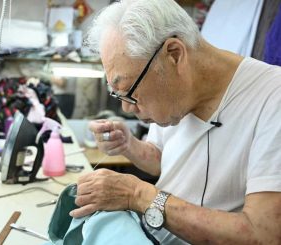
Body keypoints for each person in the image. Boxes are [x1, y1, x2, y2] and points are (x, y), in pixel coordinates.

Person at [69, 0, 281, 244]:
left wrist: (138, 195)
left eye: (130, 91)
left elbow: (263, 235)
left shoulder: (272, 98)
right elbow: (164, 160)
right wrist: (129, 145)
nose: (127, 107)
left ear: (174, 54)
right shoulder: (175, 92)